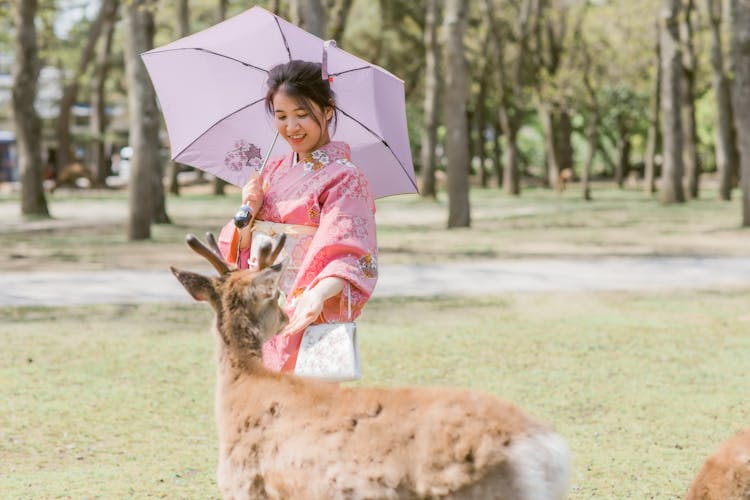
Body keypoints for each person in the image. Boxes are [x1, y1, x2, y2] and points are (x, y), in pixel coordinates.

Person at [217, 60, 378, 373]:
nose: (291, 127)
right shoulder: (271, 171)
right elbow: (240, 249)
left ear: (328, 110)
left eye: (302, 114)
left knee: (310, 410)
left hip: (308, 306)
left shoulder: (345, 177)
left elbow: (348, 250)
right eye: (281, 116)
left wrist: (317, 294)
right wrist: (248, 213)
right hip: (259, 306)